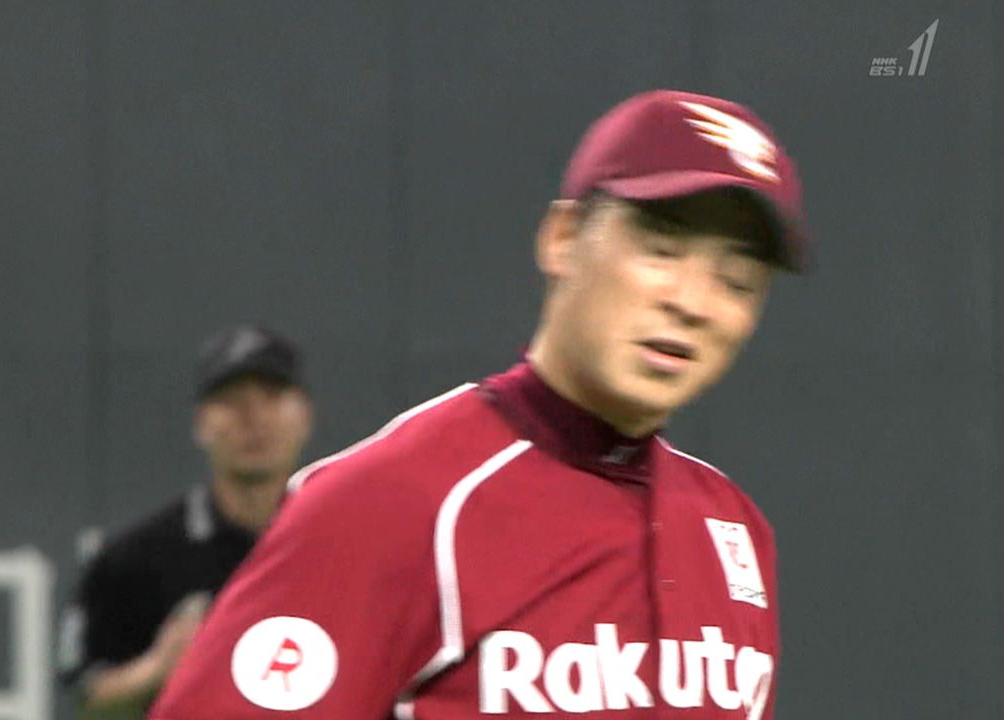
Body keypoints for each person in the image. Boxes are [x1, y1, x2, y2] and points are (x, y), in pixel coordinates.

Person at [150, 89, 809, 719]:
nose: (692, 303)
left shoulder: (731, 528)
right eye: (662, 249)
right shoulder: (395, 502)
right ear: (562, 238)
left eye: (737, 280)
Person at [57, 325, 314, 719]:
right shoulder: (133, 560)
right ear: (200, 423)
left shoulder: (339, 545)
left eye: (272, 397)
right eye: (232, 402)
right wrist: (157, 669)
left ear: (305, 415)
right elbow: (84, 700)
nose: (254, 418)